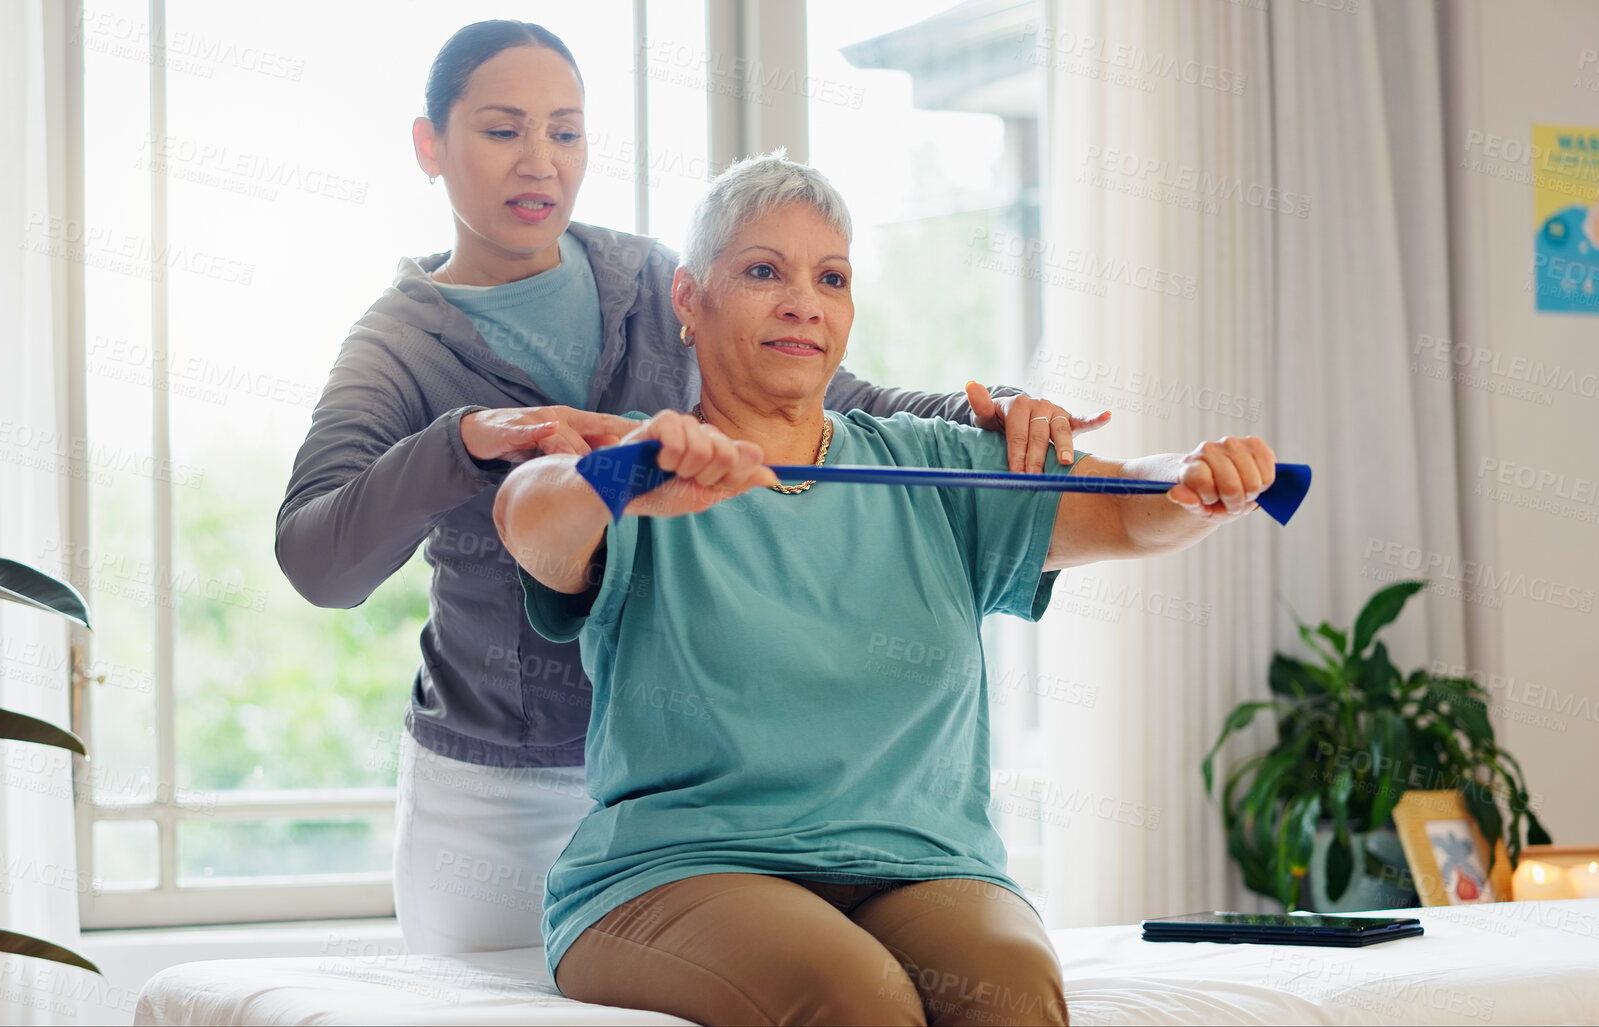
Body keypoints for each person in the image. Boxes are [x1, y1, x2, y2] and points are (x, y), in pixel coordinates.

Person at [275, 19, 1105, 955]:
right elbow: (317, 560)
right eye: (503, 131)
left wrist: (992, 411)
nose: (539, 163)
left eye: (566, 131)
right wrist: (464, 439)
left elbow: (832, 393)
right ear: (430, 146)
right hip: (502, 790)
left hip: (695, 800)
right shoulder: (396, 345)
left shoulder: (654, 279)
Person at [493, 152, 1278, 1026]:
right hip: (683, 869)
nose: (804, 302)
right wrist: (624, 477)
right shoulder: (643, 462)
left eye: (830, 277)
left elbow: (1132, 502)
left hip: (923, 865)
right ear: (688, 299)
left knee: (1012, 990)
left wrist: (1200, 479)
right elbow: (527, 515)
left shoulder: (931, 464)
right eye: (762, 271)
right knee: (855, 997)